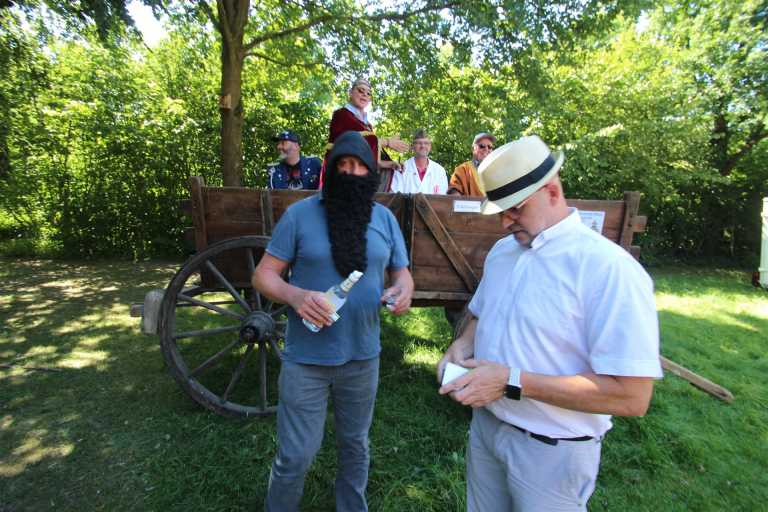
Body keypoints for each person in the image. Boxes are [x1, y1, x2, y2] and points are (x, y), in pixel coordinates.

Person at [437, 135, 662, 511]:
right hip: (486, 430)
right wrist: (460, 346)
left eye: (515, 209)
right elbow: (479, 313)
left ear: (552, 191)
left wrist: (510, 381)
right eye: (500, 211)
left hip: (552, 453)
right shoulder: (503, 251)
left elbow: (632, 396)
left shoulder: (609, 269)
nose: (505, 223)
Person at [253, 130, 414, 512]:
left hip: (362, 357)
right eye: (343, 164)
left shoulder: (384, 219)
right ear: (330, 168)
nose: (351, 172)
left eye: (359, 166)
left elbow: (402, 273)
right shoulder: (299, 215)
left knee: (356, 446)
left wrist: (402, 290)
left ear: (371, 172)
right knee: (295, 455)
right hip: (306, 360)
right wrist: (296, 296)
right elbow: (263, 275)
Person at [321, 78, 410, 191]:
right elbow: (354, 142)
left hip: (359, 179)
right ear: (350, 93)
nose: (364, 95)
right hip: (343, 175)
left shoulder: (367, 124)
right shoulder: (341, 115)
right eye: (360, 91)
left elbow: (366, 157)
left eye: (368, 93)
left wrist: (389, 164)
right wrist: (387, 142)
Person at [390, 129, 448, 195]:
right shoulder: (401, 168)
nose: (423, 146)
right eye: (419, 143)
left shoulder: (439, 170)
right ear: (412, 146)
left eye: (426, 143)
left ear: (430, 147)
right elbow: (395, 196)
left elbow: (443, 198)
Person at [447, 132, 496, 196]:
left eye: (490, 147)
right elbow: (454, 194)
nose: (486, 149)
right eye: (482, 146)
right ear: (473, 149)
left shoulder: (496, 170)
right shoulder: (462, 169)